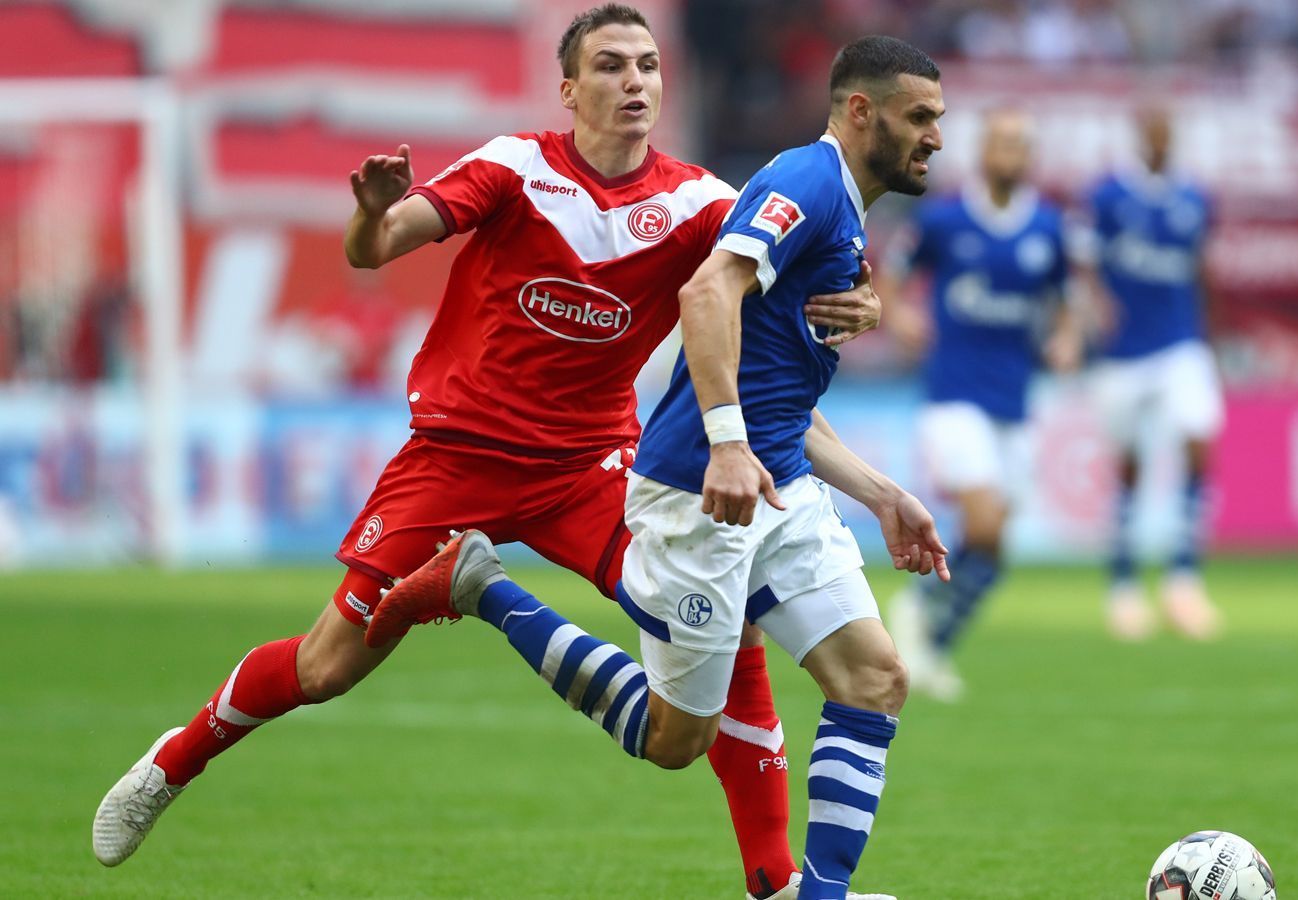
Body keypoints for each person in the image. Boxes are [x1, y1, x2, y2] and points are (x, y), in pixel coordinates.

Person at [92, 9, 885, 899]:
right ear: (569, 89)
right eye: (612, 65)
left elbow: (775, 293)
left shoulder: (699, 202)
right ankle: (173, 763)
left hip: (591, 472)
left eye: (649, 66)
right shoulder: (517, 166)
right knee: (325, 668)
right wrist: (368, 215)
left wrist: (857, 305)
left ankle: (774, 877)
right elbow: (379, 246)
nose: (635, 82)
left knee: (716, 602)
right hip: (456, 457)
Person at [371, 35, 948, 900]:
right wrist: (724, 441)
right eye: (921, 117)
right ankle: (481, 586)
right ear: (860, 111)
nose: (936, 136)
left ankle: (817, 896)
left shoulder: (844, 211)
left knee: (874, 678)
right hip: (698, 494)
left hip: (776, 483)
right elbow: (705, 294)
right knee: (675, 739)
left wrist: (882, 494)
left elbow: (781, 393)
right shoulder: (807, 184)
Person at [878, 107, 1075, 701]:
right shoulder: (944, 219)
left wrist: (1067, 336)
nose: (1010, 155)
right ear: (983, 153)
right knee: (983, 521)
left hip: (1014, 400)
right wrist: (902, 313)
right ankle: (916, 611)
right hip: (954, 395)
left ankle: (931, 637)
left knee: (993, 551)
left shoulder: (1047, 227)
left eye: (1020, 145)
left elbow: (1064, 300)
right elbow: (890, 272)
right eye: (1001, 144)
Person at [1071, 104, 1222, 640]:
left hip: (1181, 344)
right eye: (1152, 131)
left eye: (1167, 131)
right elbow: (1084, 263)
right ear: (1138, 136)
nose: (1160, 140)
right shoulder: (1107, 196)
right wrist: (1095, 307)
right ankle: (1124, 584)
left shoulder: (1196, 197)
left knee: (1199, 438)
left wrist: (1210, 330)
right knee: (1130, 467)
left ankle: (1184, 578)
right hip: (1122, 354)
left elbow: (1201, 266)